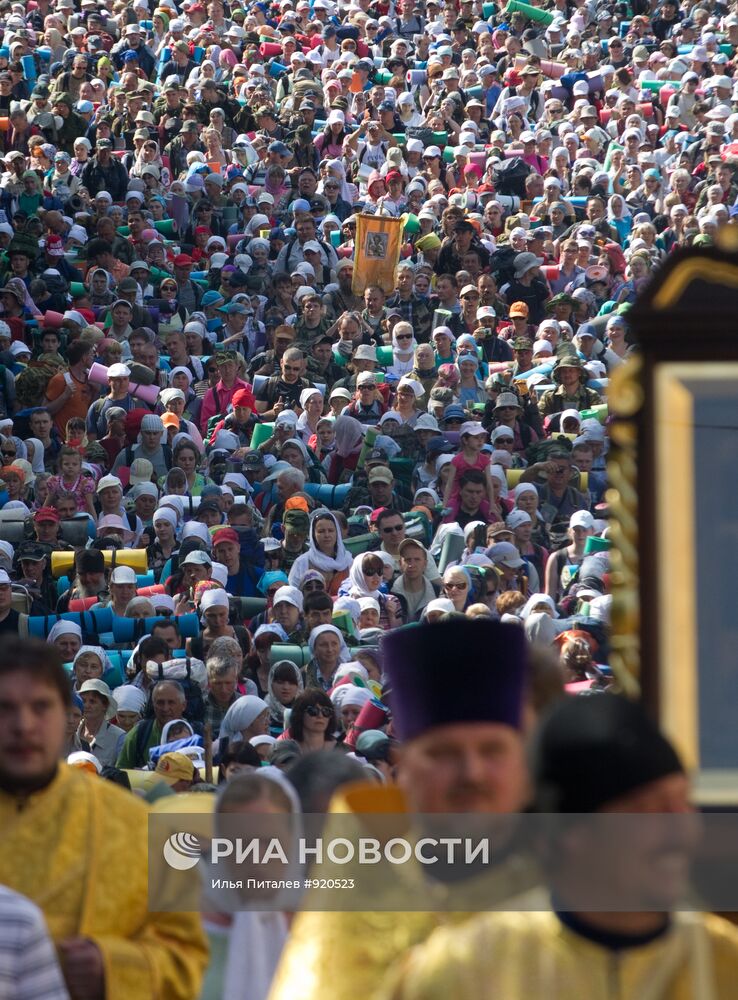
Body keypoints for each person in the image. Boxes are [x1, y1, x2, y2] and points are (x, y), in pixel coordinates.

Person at [385, 694, 738, 1000]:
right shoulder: (460, 971)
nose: (681, 829)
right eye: (648, 809)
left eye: (683, 803)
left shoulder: (723, 959)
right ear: (571, 832)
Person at [270, 619, 530, 1000]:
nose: (471, 773)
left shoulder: (566, 883)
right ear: (405, 771)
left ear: (523, 767)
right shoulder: (357, 894)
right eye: (444, 753)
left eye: (492, 751)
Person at [0, 638, 207, 998]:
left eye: (41, 707)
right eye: (5, 708)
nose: (23, 725)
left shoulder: (131, 824)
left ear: (67, 716)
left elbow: (187, 959)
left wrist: (113, 967)